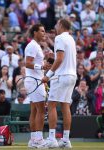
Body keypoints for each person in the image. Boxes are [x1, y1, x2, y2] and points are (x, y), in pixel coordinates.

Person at [42, 18, 77, 148]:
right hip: (72, 76)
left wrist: (48, 75)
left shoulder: (59, 38)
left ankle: (52, 139)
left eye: (57, 24)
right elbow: (61, 58)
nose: (55, 27)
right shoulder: (71, 39)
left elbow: (60, 59)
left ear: (61, 25)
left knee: (51, 105)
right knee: (65, 106)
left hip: (61, 76)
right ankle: (66, 140)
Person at [24, 23, 49, 148]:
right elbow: (27, 63)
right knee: (41, 110)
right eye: (42, 31)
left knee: (34, 110)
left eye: (44, 31)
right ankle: (39, 140)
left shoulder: (35, 46)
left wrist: (44, 62)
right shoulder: (32, 46)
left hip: (34, 80)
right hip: (34, 80)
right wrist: (42, 66)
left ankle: (33, 140)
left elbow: (33, 63)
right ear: (35, 32)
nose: (44, 33)